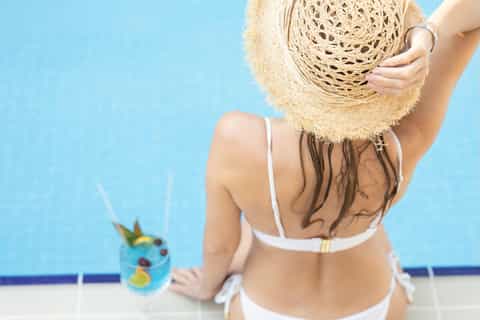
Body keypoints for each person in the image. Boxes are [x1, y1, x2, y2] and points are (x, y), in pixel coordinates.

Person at [170, 0, 480, 319]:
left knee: (254, 223)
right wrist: (428, 33)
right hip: (376, 308)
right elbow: (472, 18)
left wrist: (207, 287)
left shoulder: (237, 138)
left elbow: (219, 247)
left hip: (264, 310)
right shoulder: (408, 137)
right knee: (360, 213)